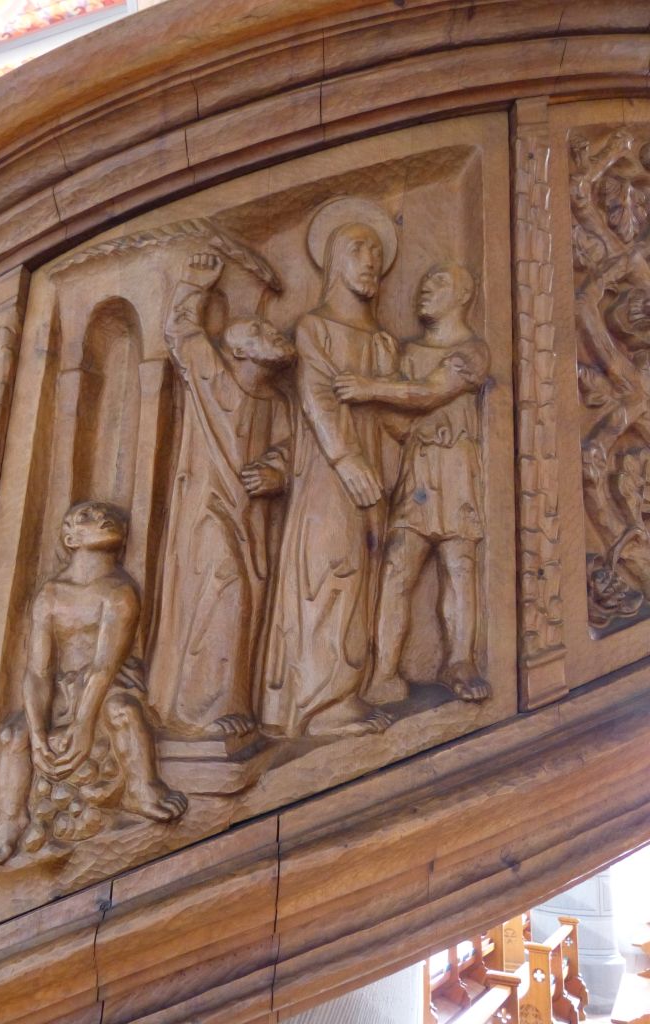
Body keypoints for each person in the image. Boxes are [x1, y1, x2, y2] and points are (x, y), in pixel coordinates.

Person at [260, 200, 401, 738]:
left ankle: (347, 691)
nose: (370, 261)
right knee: (329, 570)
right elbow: (316, 394)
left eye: (376, 252)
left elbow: (393, 417)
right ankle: (320, 702)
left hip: (376, 475)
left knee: (363, 574)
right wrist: (347, 459)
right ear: (333, 262)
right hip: (328, 472)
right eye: (357, 249)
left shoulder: (383, 341)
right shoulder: (314, 328)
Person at [0, 500, 187, 864]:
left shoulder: (119, 591)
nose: (103, 517)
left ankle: (142, 788)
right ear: (70, 538)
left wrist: (82, 726)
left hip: (108, 687)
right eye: (86, 516)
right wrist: (37, 733)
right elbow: (38, 672)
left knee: (123, 712)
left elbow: (103, 667)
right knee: (12, 735)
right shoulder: (50, 595)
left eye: (107, 516)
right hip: (62, 691)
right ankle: (10, 820)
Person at [146, 252, 294, 740]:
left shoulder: (277, 403)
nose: (274, 334)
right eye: (259, 332)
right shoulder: (213, 376)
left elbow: (289, 450)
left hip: (253, 520)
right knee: (223, 586)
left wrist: (276, 473)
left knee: (248, 597)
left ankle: (232, 700)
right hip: (207, 509)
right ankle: (202, 710)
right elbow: (182, 334)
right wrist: (195, 284)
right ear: (239, 352)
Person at [333, 262, 490, 703]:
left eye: (439, 281)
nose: (425, 288)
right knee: (397, 569)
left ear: (464, 295)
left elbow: (431, 393)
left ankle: (460, 660)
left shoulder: (472, 351)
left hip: (456, 467)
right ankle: (383, 671)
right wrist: (386, 374)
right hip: (418, 472)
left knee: (460, 566)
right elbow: (398, 426)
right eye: (423, 280)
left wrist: (371, 386)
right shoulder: (408, 354)